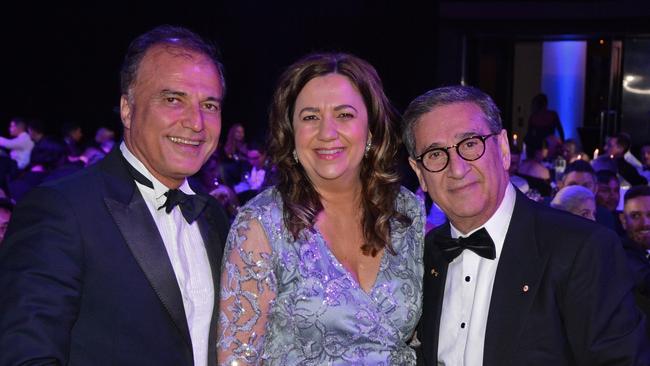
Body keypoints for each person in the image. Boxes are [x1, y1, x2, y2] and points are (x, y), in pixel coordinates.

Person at [0, 25, 230, 366]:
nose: (196, 122)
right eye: (172, 99)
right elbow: (26, 356)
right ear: (127, 108)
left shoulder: (214, 216)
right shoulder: (61, 210)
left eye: (209, 104)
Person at [402, 85, 650, 365]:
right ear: (419, 173)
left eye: (470, 144)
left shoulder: (583, 250)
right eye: (435, 154)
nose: (457, 169)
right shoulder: (423, 256)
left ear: (504, 149)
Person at [217, 52, 425, 365]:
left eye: (344, 115)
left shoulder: (406, 212)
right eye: (310, 117)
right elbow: (238, 358)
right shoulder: (261, 224)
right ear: (291, 134)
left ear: (370, 131)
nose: (327, 133)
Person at [619, 185, 650, 336]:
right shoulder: (622, 251)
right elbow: (645, 281)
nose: (646, 223)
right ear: (623, 220)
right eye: (636, 216)